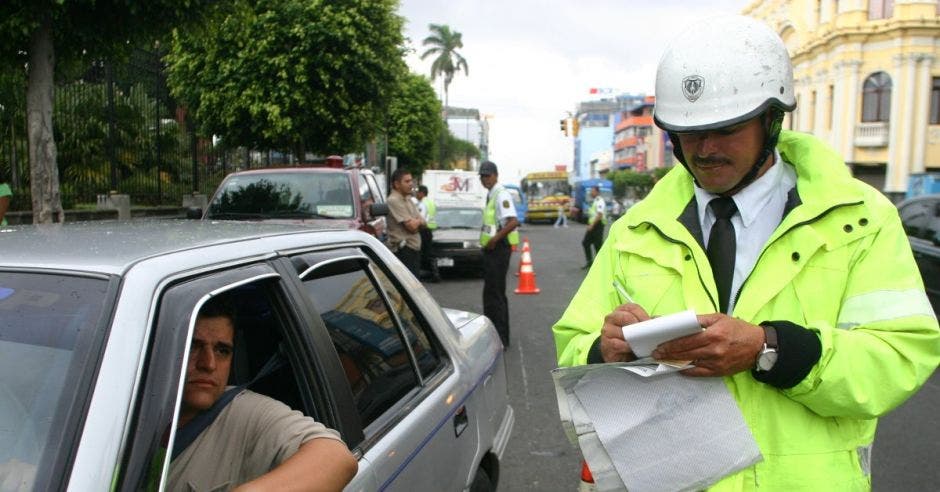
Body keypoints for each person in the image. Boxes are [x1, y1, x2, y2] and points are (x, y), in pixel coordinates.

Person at [553, 15, 939, 490]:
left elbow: (900, 355)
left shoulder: (860, 220)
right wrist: (601, 348)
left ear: (772, 120)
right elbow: (573, 344)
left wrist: (767, 348)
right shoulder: (635, 229)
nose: (705, 149)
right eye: (689, 133)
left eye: (728, 129)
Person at [168, 296, 358, 490]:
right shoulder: (137, 406)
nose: (208, 364)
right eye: (193, 347)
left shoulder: (244, 412)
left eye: (222, 350)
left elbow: (335, 457)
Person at [479, 160, 519, 347]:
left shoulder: (501, 194)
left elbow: (512, 222)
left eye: (487, 175)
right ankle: (495, 335)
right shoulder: (492, 194)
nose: (484, 179)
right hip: (492, 250)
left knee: (495, 295)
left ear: (495, 175)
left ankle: (500, 338)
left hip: (498, 248)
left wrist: (494, 240)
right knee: (491, 294)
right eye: (482, 176)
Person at [385, 168, 424, 277]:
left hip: (414, 249)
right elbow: (411, 227)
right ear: (397, 184)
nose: (411, 184)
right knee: (408, 288)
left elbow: (423, 221)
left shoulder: (408, 199)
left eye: (411, 180)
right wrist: (417, 223)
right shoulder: (393, 200)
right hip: (404, 250)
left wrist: (417, 223)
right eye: (407, 181)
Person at [416, 185, 441, 282]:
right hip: (429, 230)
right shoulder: (431, 202)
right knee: (429, 252)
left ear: (422, 193)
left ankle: (433, 275)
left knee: (423, 252)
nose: (417, 194)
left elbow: (421, 218)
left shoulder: (422, 204)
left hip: (423, 229)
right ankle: (435, 274)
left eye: (418, 192)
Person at [580, 185, 607, 269]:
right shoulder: (595, 200)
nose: (591, 192)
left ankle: (601, 265)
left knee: (598, 245)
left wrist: (592, 225)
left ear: (597, 192)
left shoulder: (600, 201)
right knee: (585, 242)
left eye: (592, 191)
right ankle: (590, 262)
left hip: (598, 225)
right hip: (593, 225)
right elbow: (593, 214)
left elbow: (600, 215)